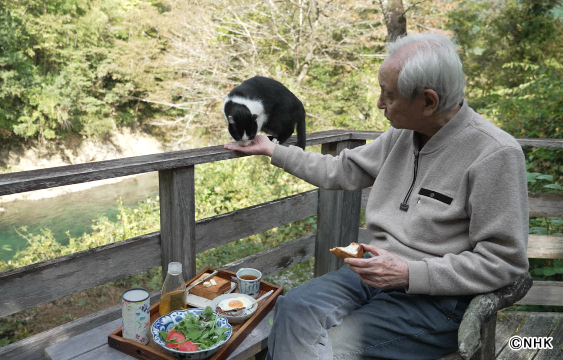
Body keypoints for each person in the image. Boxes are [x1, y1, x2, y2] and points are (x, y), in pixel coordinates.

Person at [224, 33, 529, 359]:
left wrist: (410, 274)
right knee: (292, 308)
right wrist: (272, 148)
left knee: (330, 349)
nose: (380, 104)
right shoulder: (403, 135)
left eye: (389, 95)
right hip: (370, 273)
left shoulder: (495, 154)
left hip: (438, 301)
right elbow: (340, 170)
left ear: (429, 101)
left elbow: (504, 262)